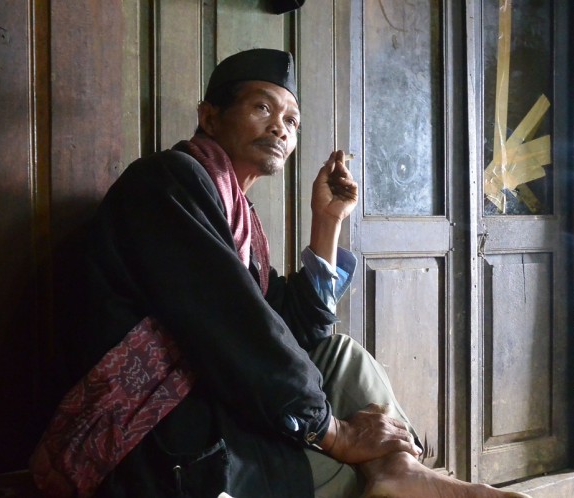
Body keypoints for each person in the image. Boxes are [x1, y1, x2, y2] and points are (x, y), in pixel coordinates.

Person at [31, 48, 530, 498]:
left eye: (291, 121)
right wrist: (333, 432)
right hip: (158, 427)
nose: (280, 128)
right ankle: (391, 473)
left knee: (339, 354)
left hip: (218, 395)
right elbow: (236, 324)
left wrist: (327, 222)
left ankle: (397, 470)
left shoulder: (235, 213)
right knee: (346, 475)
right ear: (209, 117)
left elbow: (294, 323)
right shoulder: (167, 181)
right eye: (263, 108)